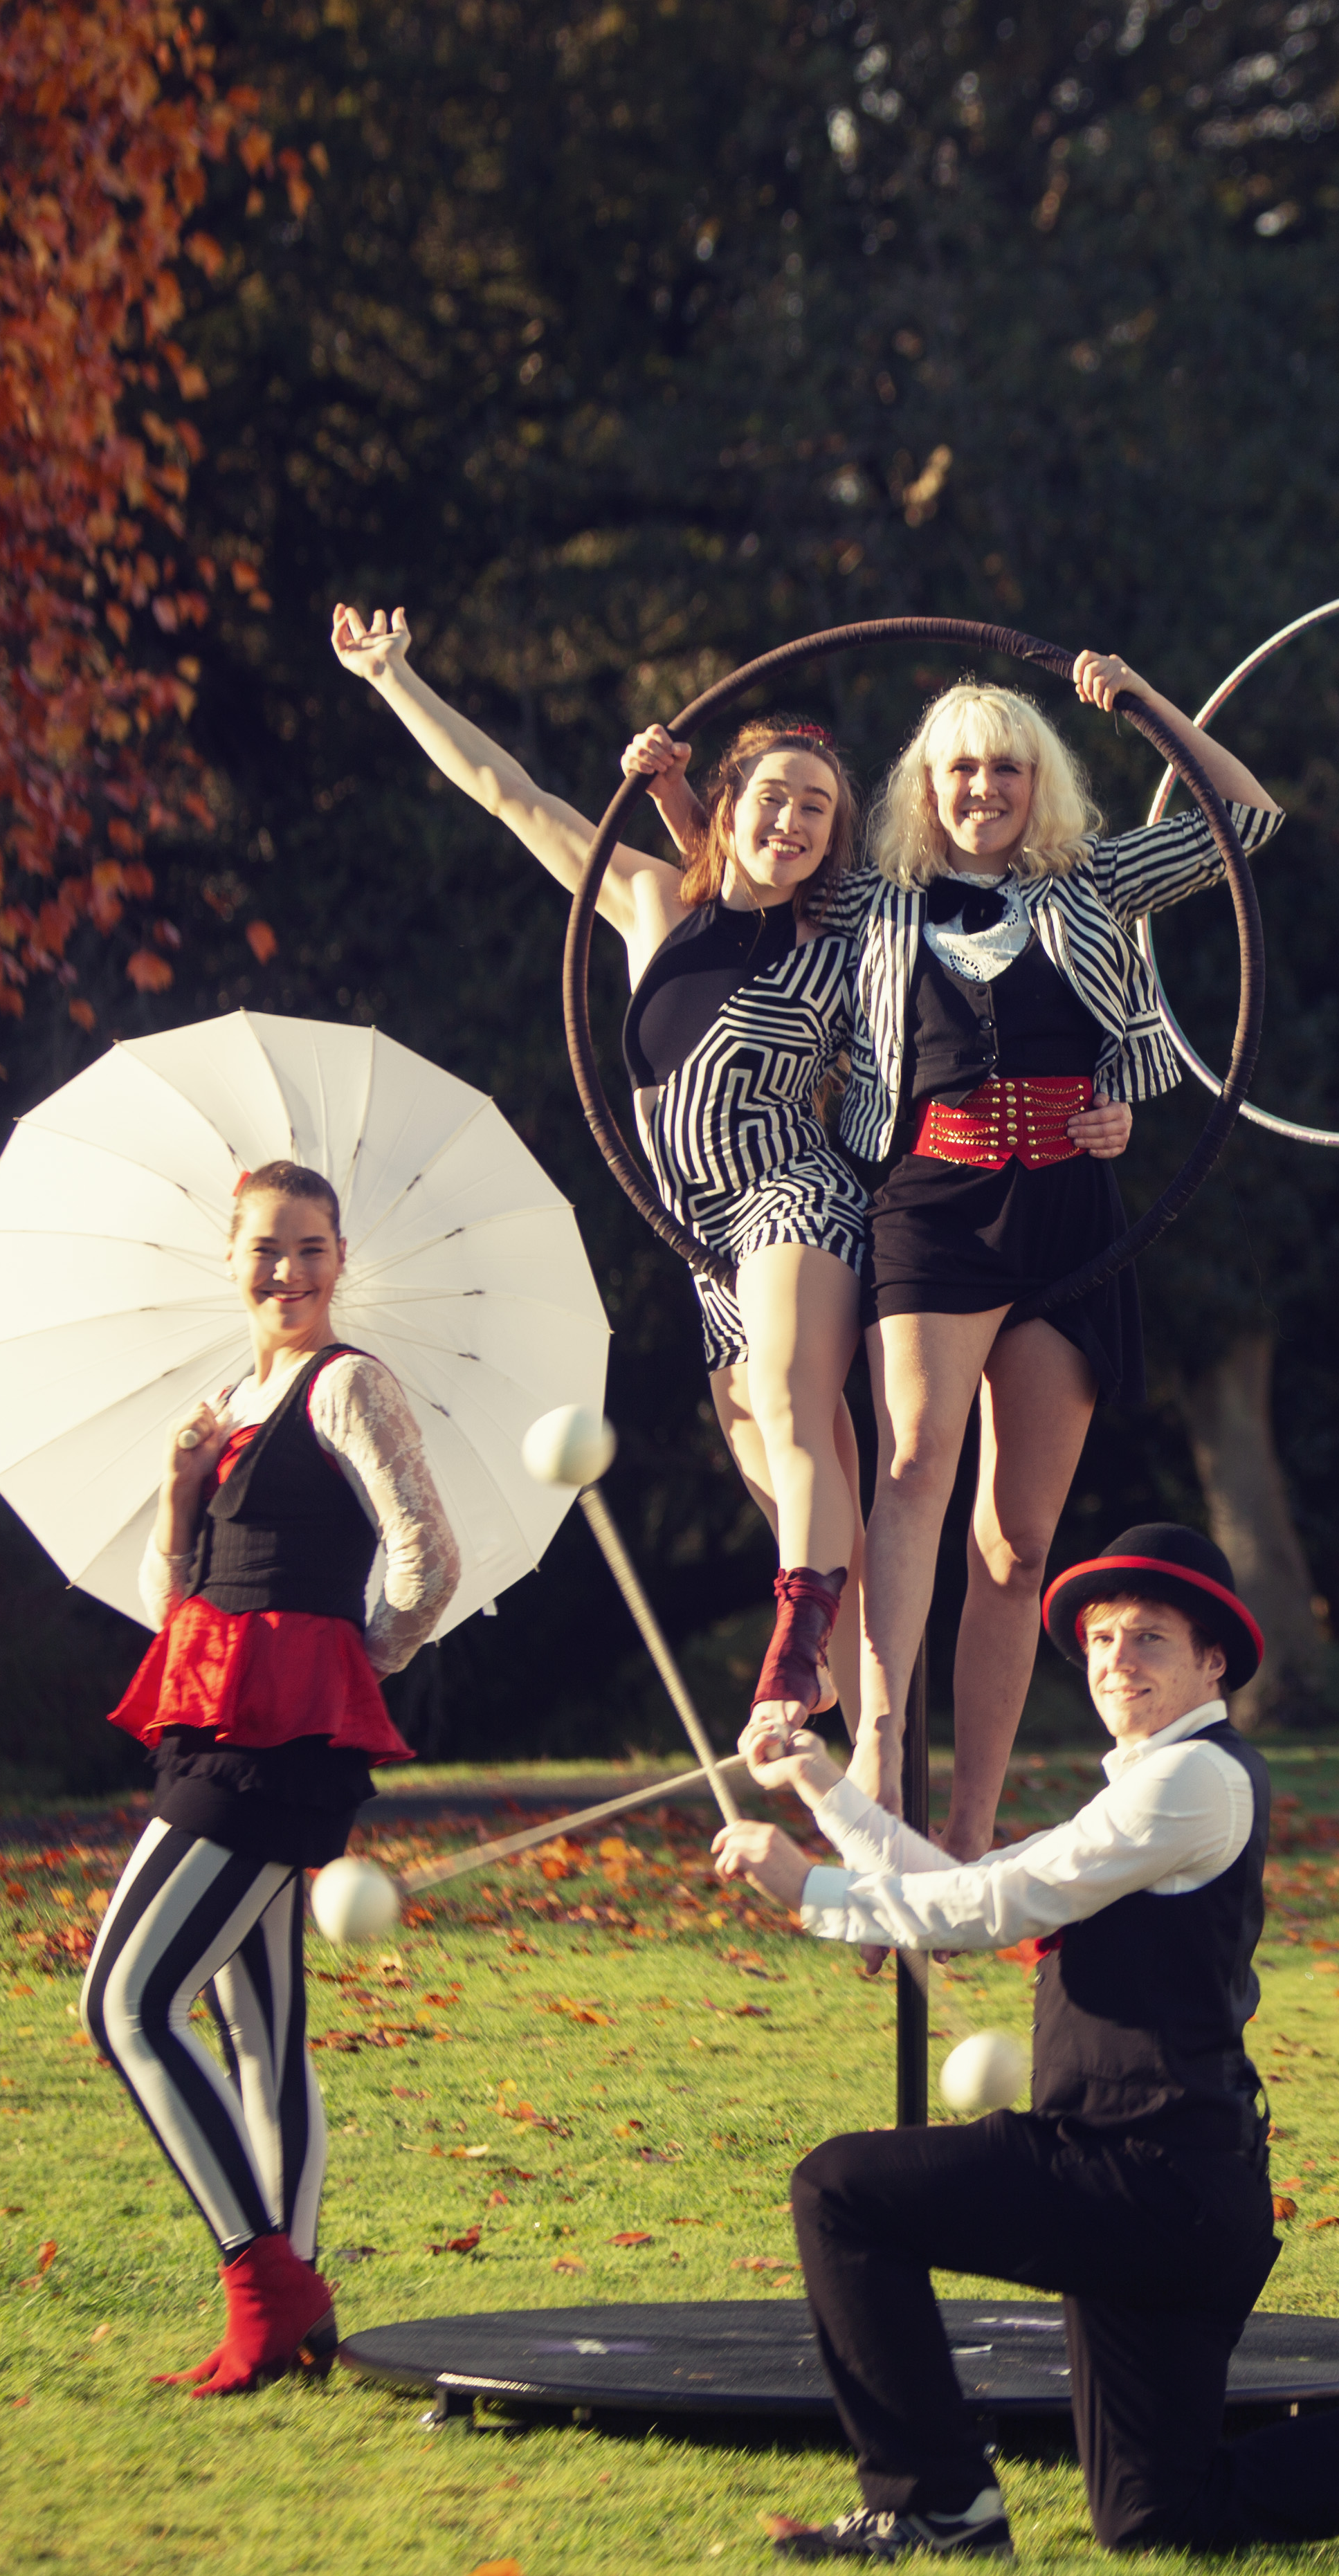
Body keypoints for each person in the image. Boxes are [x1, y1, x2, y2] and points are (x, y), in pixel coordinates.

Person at [709, 1524, 1339, 2564]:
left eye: (1148, 1638)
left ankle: (933, 2502)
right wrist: (819, 1785)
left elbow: (993, 1903)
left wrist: (807, 1891)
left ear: (1213, 1662)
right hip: (1170, 2197)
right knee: (1160, 2518)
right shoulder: (1148, 1788)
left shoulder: (1194, 1783)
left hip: (1144, 2174)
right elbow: (955, 1883)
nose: (1115, 1660)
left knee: (841, 2190)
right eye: (1103, 1640)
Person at [329, 603, 867, 1734]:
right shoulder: (652, 901)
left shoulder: (844, 942)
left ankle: (795, 1655)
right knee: (801, 1499)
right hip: (703, 1245)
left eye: (818, 809)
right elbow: (508, 793)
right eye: (773, 797)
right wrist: (393, 680)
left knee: (789, 1414)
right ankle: (872, 1796)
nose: (795, 821)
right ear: (728, 804)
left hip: (795, 1198)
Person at [812, 668, 1279, 1854]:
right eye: (961, 769)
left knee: (1018, 1541)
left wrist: (1144, 706)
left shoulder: (1093, 878)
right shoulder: (873, 899)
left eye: (1007, 768)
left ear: (1040, 785)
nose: (983, 789)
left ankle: (969, 1825)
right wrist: (666, 794)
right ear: (927, 786)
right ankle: (877, 1743)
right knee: (916, 1464)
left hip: (1070, 1211)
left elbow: (1253, 820)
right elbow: (738, 879)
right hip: (934, 1202)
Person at [84, 1160, 461, 2395]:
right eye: (264, 1249)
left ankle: (265, 2281)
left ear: (341, 1260)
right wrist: (176, 1492)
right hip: (203, 1716)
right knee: (261, 2027)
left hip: (282, 1741)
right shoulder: (221, 1405)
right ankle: (292, 2314)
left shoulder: (349, 1386)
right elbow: (168, 1602)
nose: (286, 1272)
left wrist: (354, 1670)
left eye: (308, 1248)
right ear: (231, 1262)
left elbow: (427, 1555)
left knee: (126, 2004)